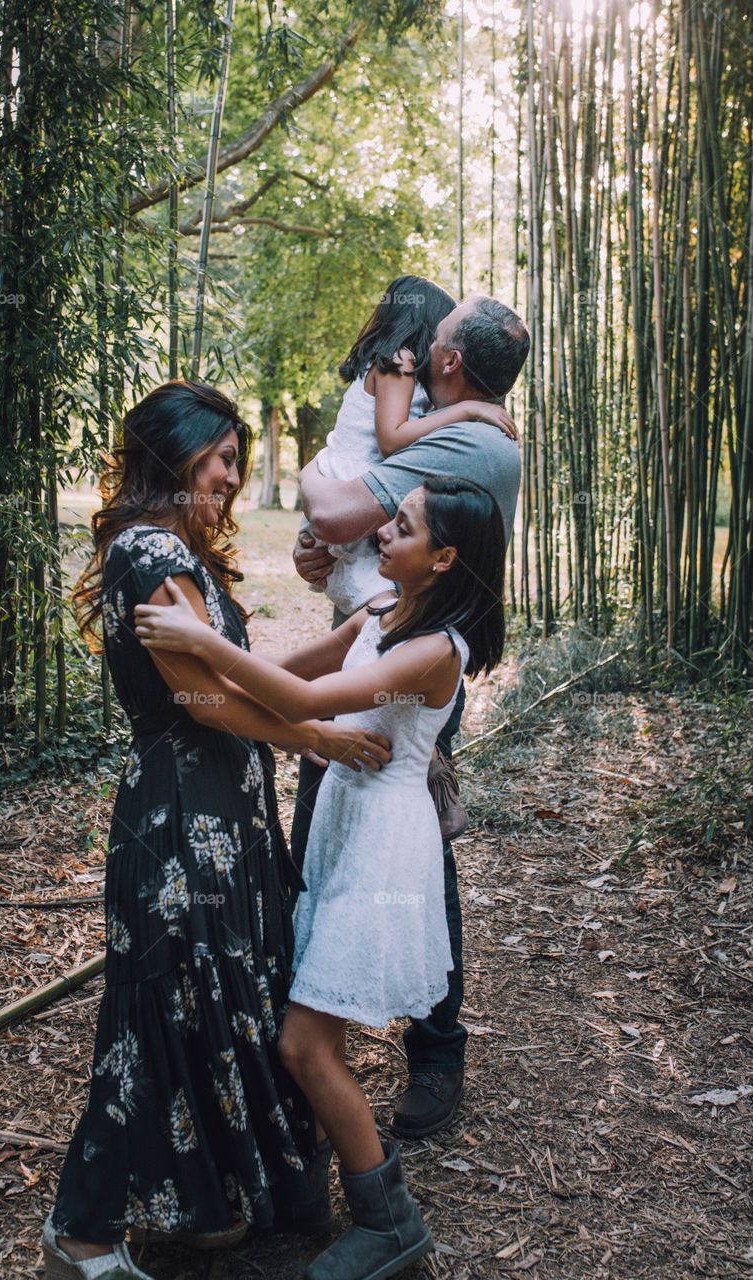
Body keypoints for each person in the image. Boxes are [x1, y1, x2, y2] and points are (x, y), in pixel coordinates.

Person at [42, 381, 391, 1280]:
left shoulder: (164, 549)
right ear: (177, 455)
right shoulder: (152, 547)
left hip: (215, 812)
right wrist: (314, 735)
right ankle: (80, 1233)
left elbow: (249, 677)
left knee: (206, 1004)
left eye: (236, 460)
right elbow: (202, 702)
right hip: (179, 817)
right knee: (163, 1011)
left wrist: (359, 635)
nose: (233, 477)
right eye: (222, 459)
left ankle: (201, 1203)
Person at [134, 474, 508, 1280]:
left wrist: (199, 640)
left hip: (384, 845)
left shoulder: (437, 653)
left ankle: (389, 1221)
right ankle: (305, 1188)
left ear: (442, 558)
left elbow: (306, 698)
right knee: (307, 1026)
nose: (382, 533)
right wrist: (195, 662)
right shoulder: (380, 613)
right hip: (341, 825)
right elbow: (270, 677)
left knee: (305, 1044)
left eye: (400, 528)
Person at [292, 293, 530, 1139]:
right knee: (326, 825)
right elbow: (341, 537)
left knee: (409, 839)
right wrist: (316, 550)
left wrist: (327, 518)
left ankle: (433, 1049)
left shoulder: (467, 435)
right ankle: (313, 1040)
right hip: (373, 638)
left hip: (417, 661)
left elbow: (344, 512)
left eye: (431, 342)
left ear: (447, 359)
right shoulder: (439, 414)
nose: (421, 352)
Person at [299, 273, 517, 618]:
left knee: (377, 607)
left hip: (345, 498)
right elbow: (390, 443)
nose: (432, 345)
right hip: (346, 483)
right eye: (436, 332)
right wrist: (467, 409)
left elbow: (334, 518)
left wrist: (310, 474)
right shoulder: (400, 363)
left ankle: (374, 633)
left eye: (439, 339)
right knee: (370, 602)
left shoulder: (467, 439)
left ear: (452, 360)